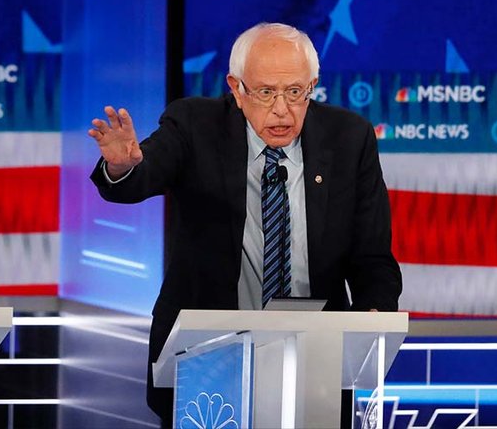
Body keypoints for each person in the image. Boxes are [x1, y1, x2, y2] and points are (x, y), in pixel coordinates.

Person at [88, 22, 402, 421]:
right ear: (236, 89)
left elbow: (372, 255)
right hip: (207, 358)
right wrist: (122, 168)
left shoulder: (349, 138)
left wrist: (373, 314)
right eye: (266, 92)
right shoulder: (194, 124)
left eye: (295, 92)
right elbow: (143, 176)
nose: (282, 109)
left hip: (315, 360)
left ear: (313, 85)